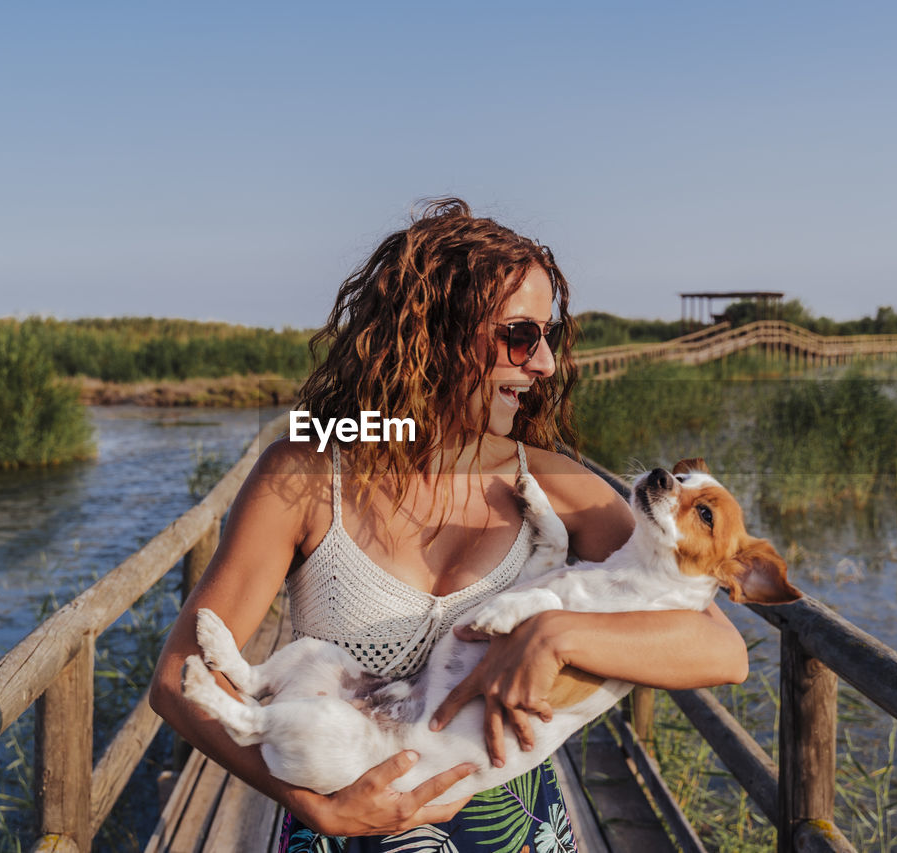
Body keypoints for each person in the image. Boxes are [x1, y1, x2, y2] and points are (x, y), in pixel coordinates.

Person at [149, 199, 749, 850]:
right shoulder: (305, 474)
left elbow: (722, 649)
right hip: (341, 833)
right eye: (522, 335)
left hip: (515, 832)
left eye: (549, 336)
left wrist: (553, 633)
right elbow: (175, 679)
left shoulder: (554, 483)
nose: (545, 363)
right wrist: (318, 811)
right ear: (434, 331)